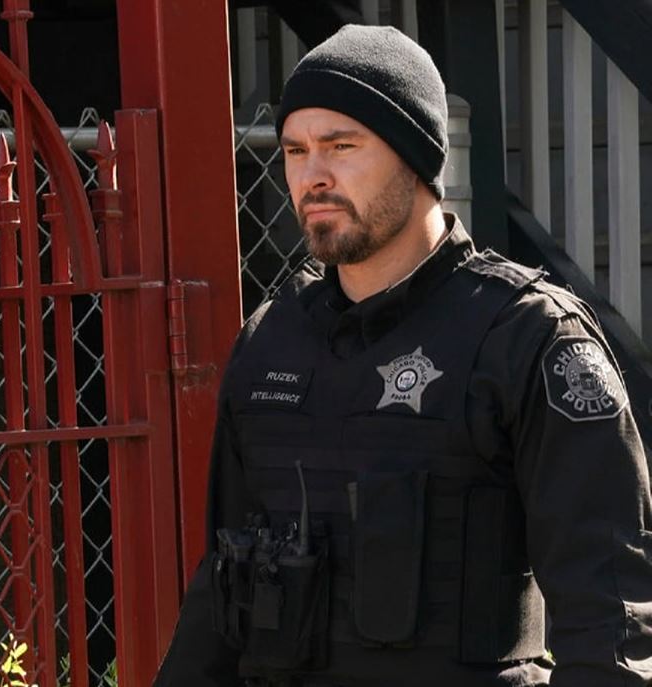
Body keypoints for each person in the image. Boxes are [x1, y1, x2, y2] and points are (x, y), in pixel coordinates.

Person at [153, 24, 652, 687]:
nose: (312, 175)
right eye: (296, 150)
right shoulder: (270, 342)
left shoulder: (529, 339)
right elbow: (218, 606)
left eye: (342, 146)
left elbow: (609, 626)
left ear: (415, 158)